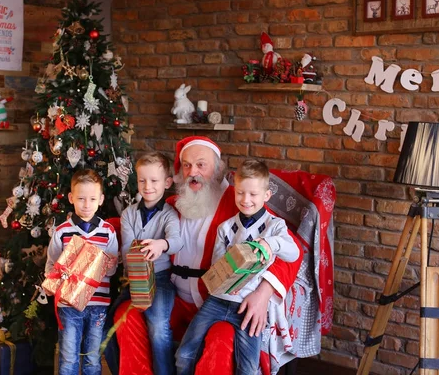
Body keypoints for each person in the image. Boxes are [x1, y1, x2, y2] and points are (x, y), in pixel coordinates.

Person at [108, 136, 303, 375]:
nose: (193, 172)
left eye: (202, 164)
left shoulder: (241, 201)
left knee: (221, 340)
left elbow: (291, 249)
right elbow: (135, 225)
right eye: (187, 165)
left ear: (218, 168)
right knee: (125, 317)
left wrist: (263, 294)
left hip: (217, 300)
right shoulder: (171, 204)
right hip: (171, 295)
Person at [175, 159, 300, 374]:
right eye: (241, 193)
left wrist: (270, 243)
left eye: (253, 194)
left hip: (246, 306)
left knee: (249, 366)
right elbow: (218, 265)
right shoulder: (226, 228)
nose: (246, 200)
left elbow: (294, 253)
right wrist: (230, 274)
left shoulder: (275, 226)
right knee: (184, 354)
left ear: (266, 195)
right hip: (217, 300)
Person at [45, 169, 118, 375]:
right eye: (81, 198)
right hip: (68, 306)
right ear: (71, 198)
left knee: (93, 360)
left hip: (98, 305)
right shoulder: (62, 232)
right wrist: (63, 274)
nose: (87, 204)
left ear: (101, 199)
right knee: (68, 358)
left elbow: (112, 270)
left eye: (93, 198)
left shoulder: (107, 232)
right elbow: (50, 267)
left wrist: (101, 263)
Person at [117, 152, 183, 375]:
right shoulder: (128, 214)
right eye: (142, 180)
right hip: (134, 279)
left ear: (167, 183)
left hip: (161, 278)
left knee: (158, 325)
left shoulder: (169, 215)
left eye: (154, 181)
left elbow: (177, 241)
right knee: (108, 320)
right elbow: (127, 248)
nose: (148, 186)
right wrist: (134, 262)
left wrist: (161, 244)